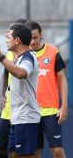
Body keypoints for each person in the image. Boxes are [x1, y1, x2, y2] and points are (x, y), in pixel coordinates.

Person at [0, 24, 40, 158]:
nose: (7, 41)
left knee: (23, 155)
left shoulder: (28, 57)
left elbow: (22, 73)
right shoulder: (18, 59)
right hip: (17, 117)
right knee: (12, 154)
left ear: (17, 40)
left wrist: (0, 57)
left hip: (26, 117)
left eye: (9, 38)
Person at [26, 21, 68, 158]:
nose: (32, 42)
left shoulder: (53, 51)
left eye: (35, 37)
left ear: (41, 35)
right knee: (34, 153)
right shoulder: (23, 55)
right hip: (30, 111)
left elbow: (62, 79)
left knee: (57, 151)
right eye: (29, 38)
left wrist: (64, 106)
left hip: (50, 111)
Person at [0, 19, 27, 158]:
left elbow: (20, 73)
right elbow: (4, 74)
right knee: (1, 149)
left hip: (23, 111)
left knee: (19, 152)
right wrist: (1, 95)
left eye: (11, 31)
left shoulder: (29, 56)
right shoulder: (9, 53)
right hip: (8, 110)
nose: (7, 34)